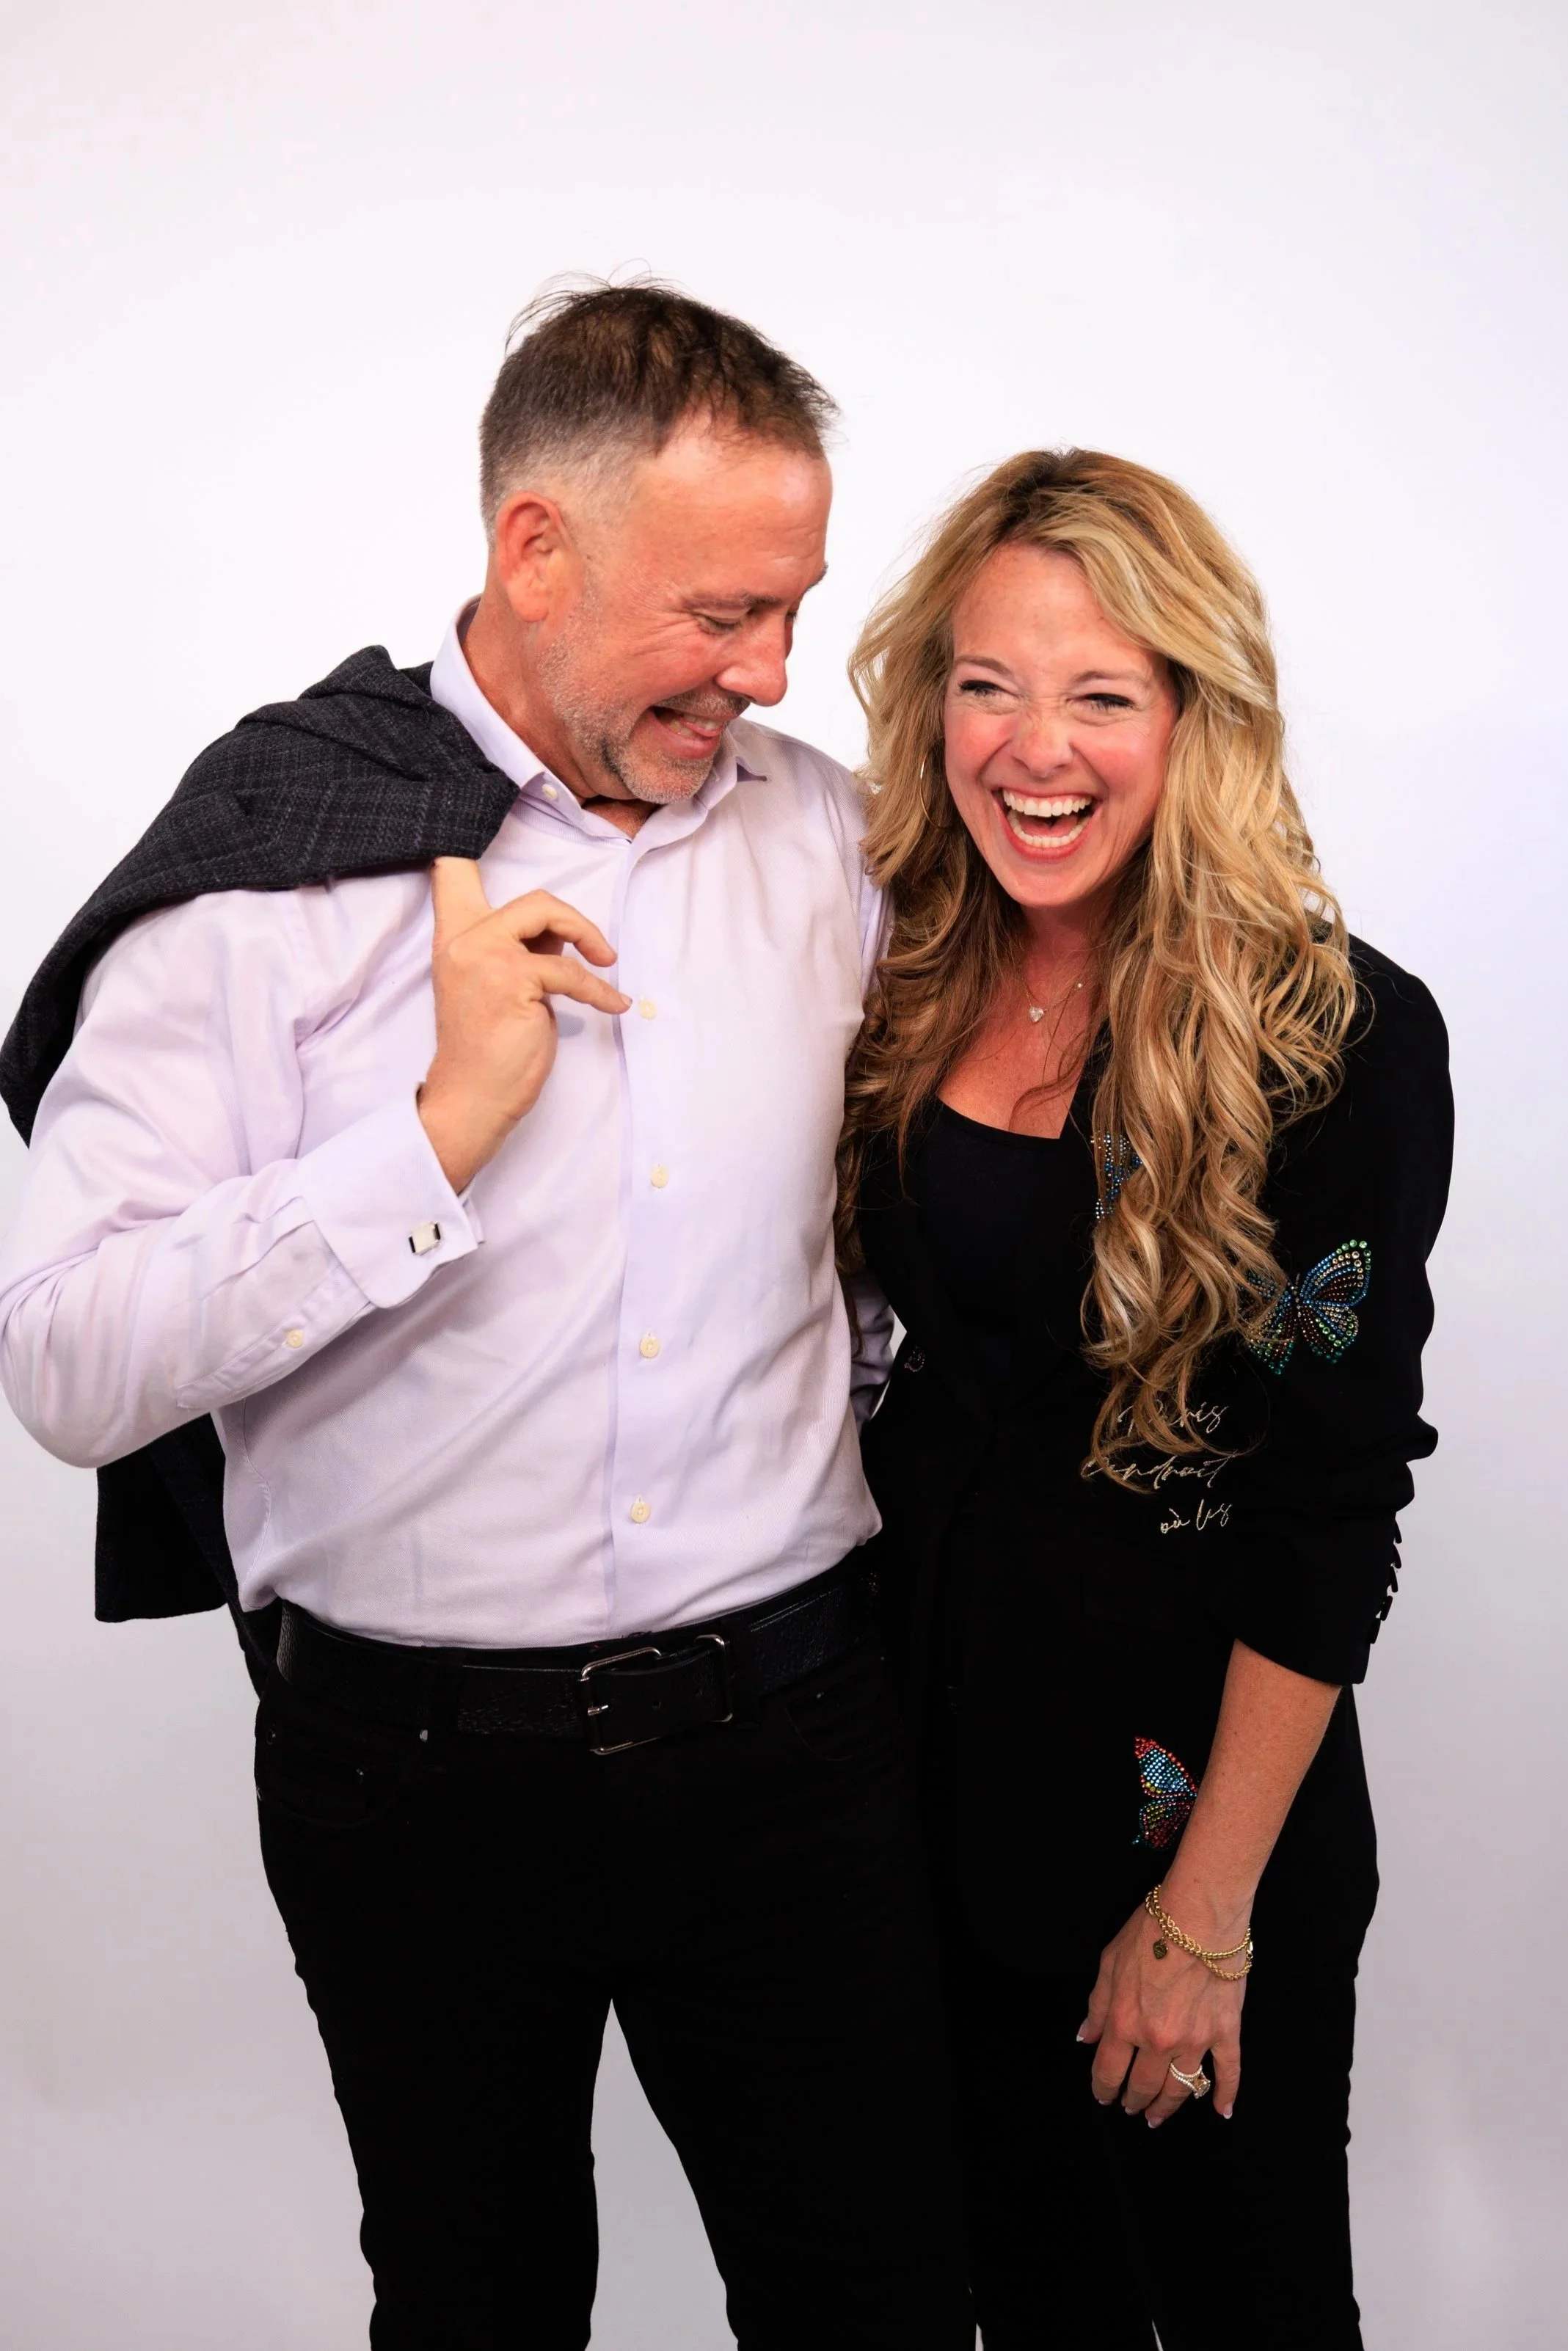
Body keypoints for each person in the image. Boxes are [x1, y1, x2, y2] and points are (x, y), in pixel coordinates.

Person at [0, 286, 971, 2350]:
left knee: (880, 2293)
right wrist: (435, 1130)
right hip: (410, 1777)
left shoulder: (829, 842)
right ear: (537, 549)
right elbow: (68, 1356)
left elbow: (887, 1241)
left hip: (796, 1734)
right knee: (476, 2300)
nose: (772, 671)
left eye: (793, 609)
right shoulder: (270, 873)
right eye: (720, 611)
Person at [839, 448, 1452, 2349]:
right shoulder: (902, 967)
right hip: (932, 1778)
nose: (1038, 747)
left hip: (1189, 1815)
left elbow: (1332, 1515)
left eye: (1103, 693)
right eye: (989, 684)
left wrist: (1202, 1917)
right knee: (1025, 2300)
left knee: (1249, 2301)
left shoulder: (1335, 1038)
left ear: (1196, 713)